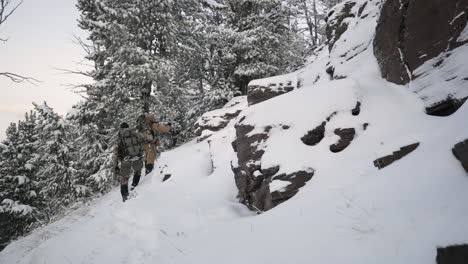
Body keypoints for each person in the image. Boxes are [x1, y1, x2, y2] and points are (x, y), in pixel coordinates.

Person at [113, 122, 144, 202]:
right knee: (138, 171)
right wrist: (140, 155)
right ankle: (134, 186)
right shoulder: (135, 134)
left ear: (121, 128)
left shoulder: (120, 136)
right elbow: (141, 145)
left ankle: (125, 196)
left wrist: (115, 164)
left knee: (124, 177)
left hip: (126, 159)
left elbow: (116, 152)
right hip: (136, 157)